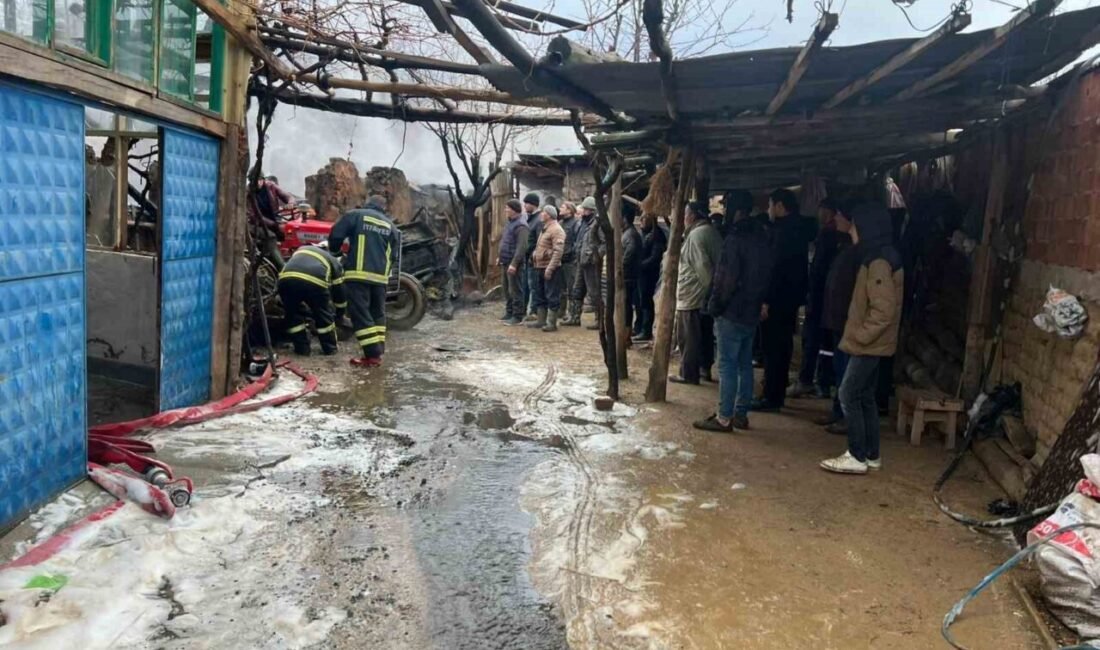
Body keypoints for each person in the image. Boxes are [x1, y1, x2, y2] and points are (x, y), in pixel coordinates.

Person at [820, 203, 904, 475]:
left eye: (855, 226)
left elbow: (883, 310)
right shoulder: (880, 255)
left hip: (869, 344)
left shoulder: (878, 263)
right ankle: (871, 453)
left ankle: (856, 455)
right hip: (873, 343)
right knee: (866, 396)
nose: (851, 231)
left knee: (847, 394)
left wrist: (860, 335)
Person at [693, 197, 774, 432]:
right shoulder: (764, 242)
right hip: (751, 311)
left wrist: (715, 305)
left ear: (737, 212)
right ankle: (740, 414)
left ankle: (724, 418)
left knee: (727, 365)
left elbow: (724, 279)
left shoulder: (735, 240)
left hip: (732, 310)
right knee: (744, 364)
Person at [755, 188, 815, 411]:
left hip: (777, 300)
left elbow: (775, 269)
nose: (768, 210)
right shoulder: (799, 230)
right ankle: (776, 394)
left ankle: (771, 397)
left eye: (770, 205)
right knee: (783, 347)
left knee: (773, 349)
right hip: (791, 299)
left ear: (780, 206)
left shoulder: (782, 233)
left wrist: (766, 300)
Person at [328, 195, 400, 367]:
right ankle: (378, 350)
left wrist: (335, 252)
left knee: (360, 314)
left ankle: (372, 355)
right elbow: (394, 256)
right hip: (380, 279)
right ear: (384, 208)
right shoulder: (391, 226)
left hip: (358, 275)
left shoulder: (356, 215)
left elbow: (336, 235)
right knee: (377, 314)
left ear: (368, 204)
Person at [789, 197, 844, 399]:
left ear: (828, 212)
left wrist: (811, 292)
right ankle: (824, 381)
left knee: (813, 340)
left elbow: (819, 270)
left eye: (821, 210)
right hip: (830, 299)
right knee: (826, 343)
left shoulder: (828, 235)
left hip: (821, 297)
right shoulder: (838, 236)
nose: (818, 214)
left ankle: (808, 380)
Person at [817, 203, 859, 434]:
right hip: (837, 319)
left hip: (847, 321)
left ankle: (845, 416)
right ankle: (837, 411)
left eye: (840, 216)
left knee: (846, 371)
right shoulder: (845, 246)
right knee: (838, 367)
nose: (837, 219)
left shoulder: (859, 253)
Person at [670, 202, 722, 385]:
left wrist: (709, 293)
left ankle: (688, 373)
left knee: (688, 337)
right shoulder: (710, 231)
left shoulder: (697, 235)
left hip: (693, 295)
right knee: (704, 334)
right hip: (703, 296)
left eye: (684, 215)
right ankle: (704, 369)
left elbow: (704, 270)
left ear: (691, 216)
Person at [278, 244, 347, 356]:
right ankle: (330, 349)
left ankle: (302, 349)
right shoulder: (335, 262)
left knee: (293, 315)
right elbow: (340, 293)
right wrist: (340, 313)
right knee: (322, 315)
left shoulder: (302, 248)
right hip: (315, 282)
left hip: (285, 280)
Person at [563, 197, 605, 329]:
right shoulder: (582, 223)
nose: (584, 211)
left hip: (591, 263)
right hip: (581, 261)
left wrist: (596, 256)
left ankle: (600, 320)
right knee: (577, 290)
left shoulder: (597, 224)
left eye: (586, 209)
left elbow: (604, 243)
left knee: (594, 293)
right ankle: (574, 317)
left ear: (592, 210)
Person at [528, 205, 567, 332]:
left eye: (543, 212)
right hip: (540, 266)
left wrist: (550, 269)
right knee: (540, 294)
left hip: (550, 267)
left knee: (552, 295)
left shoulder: (556, 230)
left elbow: (558, 252)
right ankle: (541, 320)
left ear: (549, 215)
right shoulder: (546, 228)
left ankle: (551, 322)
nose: (541, 214)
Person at [249, 174, 294, 271]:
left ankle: (292, 259)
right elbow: (255, 217)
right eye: (253, 180)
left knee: (290, 234)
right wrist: (275, 225)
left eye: (259, 179)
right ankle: (283, 269)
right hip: (254, 225)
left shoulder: (271, 186)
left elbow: (287, 196)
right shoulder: (248, 193)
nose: (256, 182)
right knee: (271, 237)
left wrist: (290, 203)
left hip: (274, 221)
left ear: (263, 180)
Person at [634, 213, 667, 341]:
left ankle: (646, 330)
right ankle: (639, 327)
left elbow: (655, 257)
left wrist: (640, 265)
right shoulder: (645, 233)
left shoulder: (656, 235)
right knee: (639, 301)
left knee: (646, 302)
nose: (641, 221)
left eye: (644, 219)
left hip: (649, 273)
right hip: (641, 272)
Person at [498, 199, 530, 325]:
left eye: (508, 208)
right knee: (507, 289)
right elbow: (505, 241)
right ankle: (509, 312)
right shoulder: (510, 223)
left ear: (514, 210)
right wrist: (500, 257)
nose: (506, 210)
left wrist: (514, 263)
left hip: (514, 263)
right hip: (505, 260)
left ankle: (517, 316)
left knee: (515, 289)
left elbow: (522, 247)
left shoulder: (521, 226)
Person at [621, 206, 643, 340]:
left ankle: (626, 335)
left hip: (629, 275)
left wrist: (620, 266)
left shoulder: (630, 234)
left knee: (626, 305)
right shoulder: (628, 233)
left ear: (624, 218)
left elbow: (629, 253)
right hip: (628, 274)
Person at [558, 201, 581, 320]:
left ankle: (572, 313)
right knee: (561, 288)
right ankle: (561, 311)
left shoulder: (576, 224)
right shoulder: (561, 223)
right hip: (560, 260)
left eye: (563, 207)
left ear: (569, 210)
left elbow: (577, 241)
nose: (560, 209)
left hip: (570, 261)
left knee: (572, 288)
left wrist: (571, 253)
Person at [522, 193, 542, 321]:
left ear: (533, 204)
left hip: (533, 259)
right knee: (526, 285)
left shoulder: (538, 220)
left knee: (534, 285)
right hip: (527, 257)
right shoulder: (530, 218)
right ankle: (523, 309)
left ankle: (534, 311)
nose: (524, 206)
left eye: (526, 203)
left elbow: (539, 241)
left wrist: (533, 255)